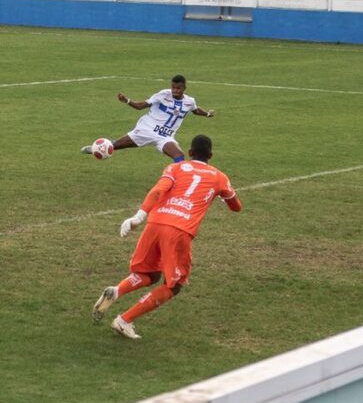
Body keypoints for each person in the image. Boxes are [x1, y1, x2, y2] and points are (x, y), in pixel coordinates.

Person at [92, 134, 241, 339]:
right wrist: (225, 198)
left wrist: (138, 217)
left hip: (154, 223)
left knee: (150, 274)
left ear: (189, 153)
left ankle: (117, 291)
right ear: (211, 155)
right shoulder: (219, 177)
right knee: (174, 285)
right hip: (179, 231)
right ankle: (124, 320)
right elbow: (236, 207)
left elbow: (157, 190)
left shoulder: (175, 168)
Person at [79, 75, 215, 162]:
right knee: (114, 146)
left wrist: (207, 114)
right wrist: (127, 100)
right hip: (146, 130)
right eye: (173, 87)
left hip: (164, 137)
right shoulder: (163, 95)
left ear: (184, 88)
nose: (175, 90)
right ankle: (94, 149)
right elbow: (141, 106)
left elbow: (195, 110)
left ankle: (178, 180)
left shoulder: (189, 101)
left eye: (178, 88)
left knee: (179, 156)